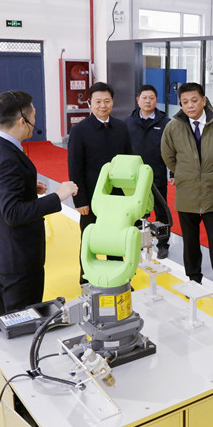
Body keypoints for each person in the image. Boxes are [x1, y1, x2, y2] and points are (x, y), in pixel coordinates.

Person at [0, 90, 78, 315]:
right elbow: (13, 213)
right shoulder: (7, 157)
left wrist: (26, 188)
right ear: (23, 121)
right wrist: (57, 196)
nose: (34, 122)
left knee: (5, 321)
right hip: (17, 262)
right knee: (22, 323)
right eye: (34, 116)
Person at [161, 82, 213, 309]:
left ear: (204, 100)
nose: (190, 105)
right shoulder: (173, 127)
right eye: (185, 102)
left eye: (194, 100)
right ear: (180, 104)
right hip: (186, 193)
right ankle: (194, 283)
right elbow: (168, 156)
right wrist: (185, 174)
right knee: (190, 242)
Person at [68, 82, 132, 283]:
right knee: (90, 239)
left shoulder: (121, 127)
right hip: (91, 197)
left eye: (107, 101)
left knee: (117, 238)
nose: (102, 105)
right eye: (97, 101)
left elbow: (129, 162)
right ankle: (86, 280)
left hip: (117, 197)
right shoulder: (80, 130)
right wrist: (80, 200)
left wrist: (130, 196)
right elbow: (75, 168)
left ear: (112, 102)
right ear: (90, 103)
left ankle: (118, 279)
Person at [126, 84, 171, 259]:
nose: (148, 101)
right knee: (137, 211)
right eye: (144, 98)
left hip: (157, 175)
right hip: (134, 177)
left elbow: (173, 150)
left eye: (151, 98)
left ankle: (163, 244)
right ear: (138, 100)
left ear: (156, 100)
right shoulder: (127, 123)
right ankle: (137, 242)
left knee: (161, 212)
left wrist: (173, 173)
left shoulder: (166, 123)